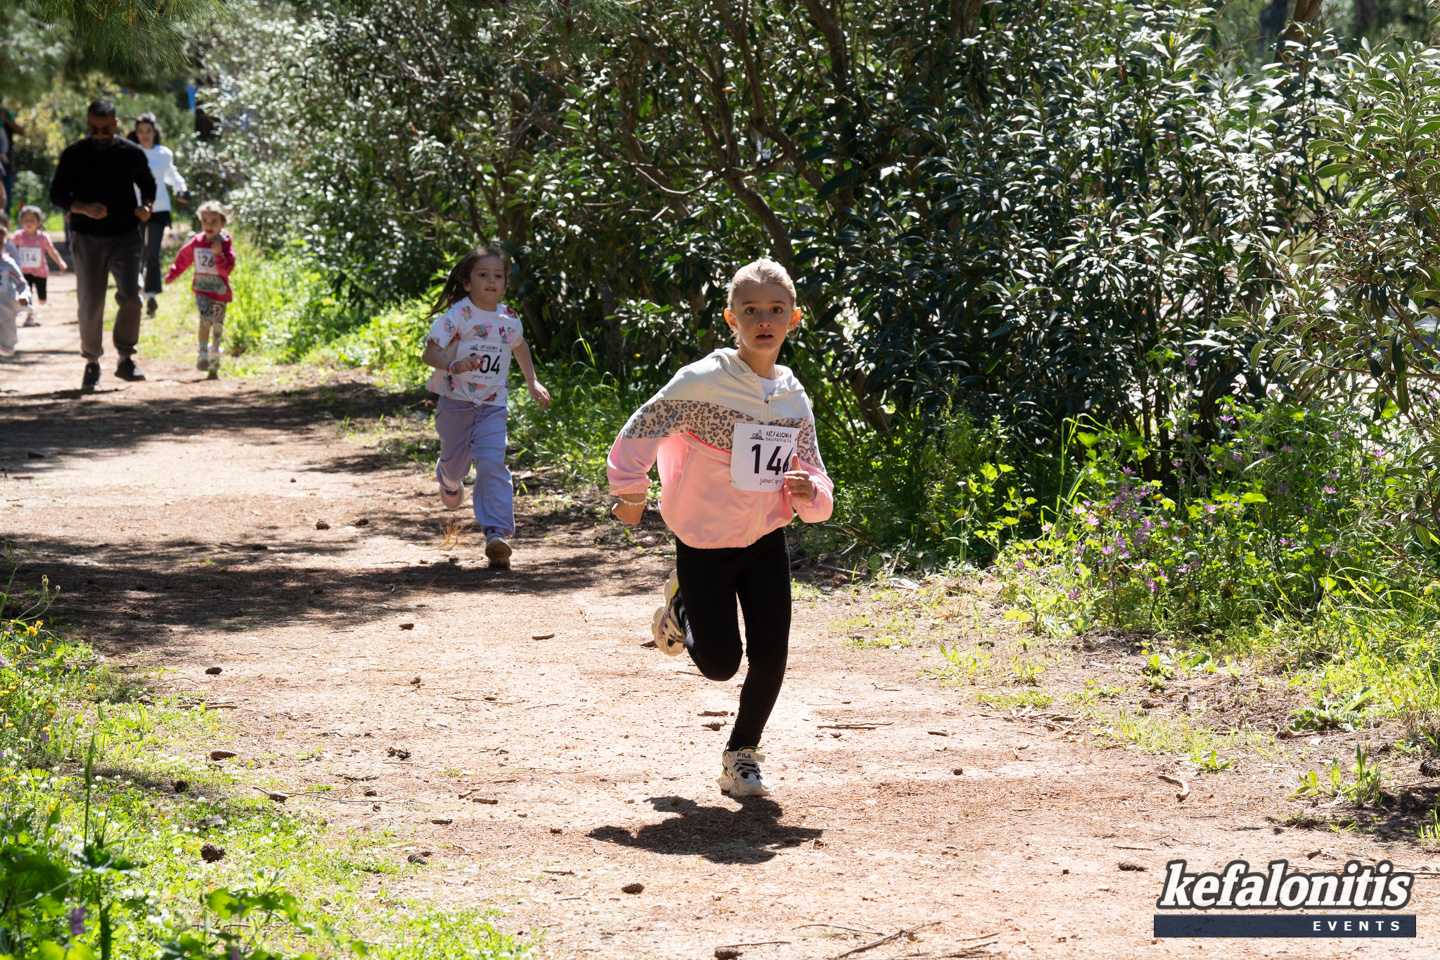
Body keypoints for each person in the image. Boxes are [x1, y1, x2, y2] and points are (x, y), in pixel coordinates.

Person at [606, 258, 834, 798]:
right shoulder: (701, 381)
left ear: (794, 318)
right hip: (704, 542)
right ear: (732, 319)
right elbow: (640, 429)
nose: (764, 320)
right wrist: (630, 491)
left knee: (771, 655)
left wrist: (811, 494)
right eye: (750, 310)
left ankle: (741, 755)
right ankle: (681, 606)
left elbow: (816, 477)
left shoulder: (793, 397)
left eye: (775, 310)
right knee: (720, 665)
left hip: (765, 539)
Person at [420, 244, 551, 568]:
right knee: (455, 467)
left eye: (498, 276)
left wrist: (532, 381)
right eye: (483, 275)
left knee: (492, 464)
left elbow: (519, 346)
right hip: (456, 404)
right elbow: (429, 353)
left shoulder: (509, 319)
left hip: (493, 407)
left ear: (505, 283)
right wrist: (454, 365)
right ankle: (448, 479)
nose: (491, 281)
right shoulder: (459, 315)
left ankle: (496, 534)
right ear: (467, 283)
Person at [48, 99, 156, 391]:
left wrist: (146, 206)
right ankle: (92, 363)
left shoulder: (131, 153)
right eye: (93, 129)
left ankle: (125, 358)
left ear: (116, 124)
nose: (99, 135)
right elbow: (57, 194)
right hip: (88, 238)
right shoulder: (75, 154)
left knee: (132, 296)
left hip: (126, 235)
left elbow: (148, 185)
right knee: (91, 304)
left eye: (105, 129)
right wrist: (81, 207)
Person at [164, 200, 234, 376]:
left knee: (217, 325)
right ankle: (203, 352)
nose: (208, 225)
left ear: (222, 223)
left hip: (220, 292)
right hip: (202, 290)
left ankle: (214, 353)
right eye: (205, 221)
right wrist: (172, 274)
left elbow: (227, 270)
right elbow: (183, 258)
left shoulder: (225, 244)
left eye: (214, 221)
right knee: (205, 318)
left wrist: (218, 255)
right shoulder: (197, 241)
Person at [128, 113, 188, 317]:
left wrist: (181, 188)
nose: (145, 135)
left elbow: (170, 174)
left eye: (148, 131)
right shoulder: (130, 152)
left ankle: (151, 294)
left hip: (159, 208)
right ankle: (135, 291)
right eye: (141, 131)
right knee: (136, 251)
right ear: (136, 133)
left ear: (155, 132)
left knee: (152, 253)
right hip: (135, 209)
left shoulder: (163, 154)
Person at [12, 205, 67, 322]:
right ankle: (29, 315)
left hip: (40, 272)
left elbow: (51, 251)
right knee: (26, 294)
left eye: (32, 220)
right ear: (21, 221)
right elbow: (8, 247)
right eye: (26, 220)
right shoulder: (18, 236)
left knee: (42, 299)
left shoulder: (43, 237)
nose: (29, 223)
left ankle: (41, 299)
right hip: (23, 272)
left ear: (39, 222)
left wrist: (60, 262)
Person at [0, 218, 31, 357]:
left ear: (4, 243)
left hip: (7, 311)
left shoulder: (8, 264)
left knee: (8, 348)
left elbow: (22, 285)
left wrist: (24, 296)